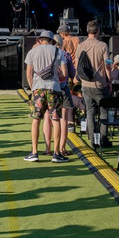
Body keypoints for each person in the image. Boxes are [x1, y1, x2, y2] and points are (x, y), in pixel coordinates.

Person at [24, 30, 68, 163]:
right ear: (51, 40)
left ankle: (34, 152)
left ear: (40, 39)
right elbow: (64, 74)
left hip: (38, 88)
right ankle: (56, 153)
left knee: (36, 120)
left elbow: (28, 74)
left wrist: (33, 88)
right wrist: (57, 75)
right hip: (54, 88)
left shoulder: (32, 52)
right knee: (56, 119)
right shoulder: (58, 51)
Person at [74, 20, 111, 147]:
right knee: (104, 111)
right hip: (100, 84)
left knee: (89, 111)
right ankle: (103, 139)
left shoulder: (81, 46)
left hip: (85, 84)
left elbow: (77, 65)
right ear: (98, 31)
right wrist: (109, 80)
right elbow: (107, 65)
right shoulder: (103, 46)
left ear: (87, 30)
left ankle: (92, 139)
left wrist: (76, 77)